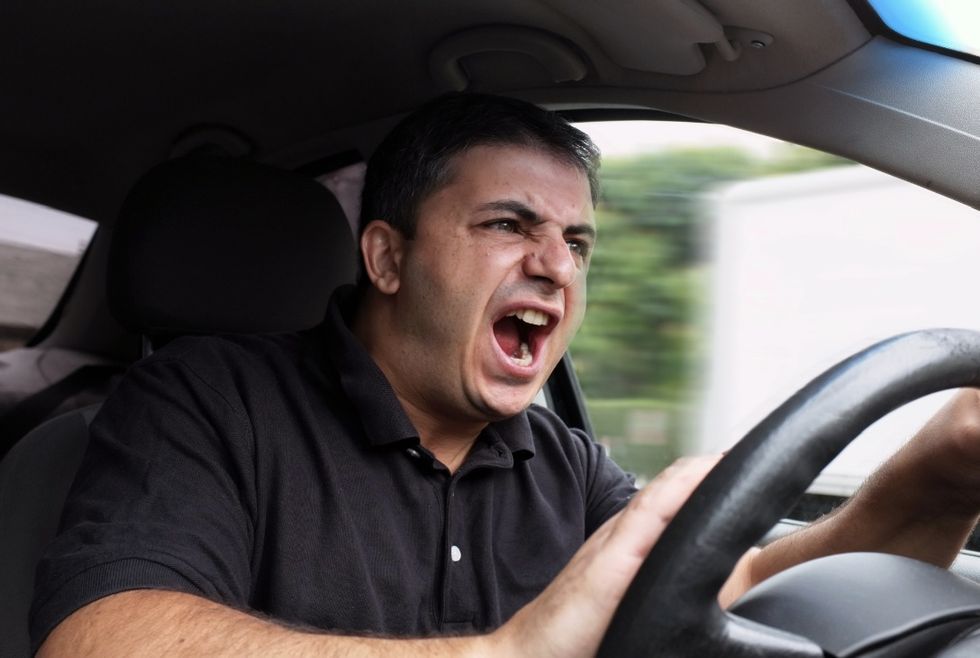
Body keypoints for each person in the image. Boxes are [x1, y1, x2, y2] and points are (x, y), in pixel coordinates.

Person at [32, 94, 980, 657]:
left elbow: (730, 586)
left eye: (575, 241)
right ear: (388, 259)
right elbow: (100, 637)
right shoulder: (208, 398)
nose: (557, 267)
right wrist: (506, 653)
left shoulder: (560, 461)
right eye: (507, 225)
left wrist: (933, 483)